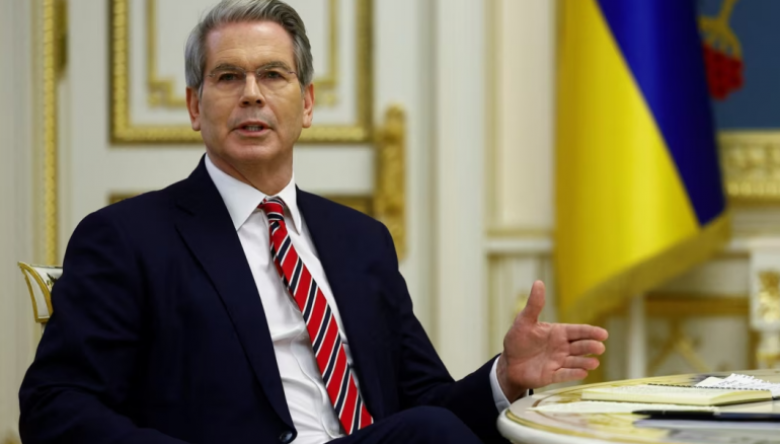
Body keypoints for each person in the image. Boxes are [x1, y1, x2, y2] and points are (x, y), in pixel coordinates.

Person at [18, 1, 608, 443]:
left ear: (306, 104)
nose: (252, 94)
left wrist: (506, 376)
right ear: (196, 106)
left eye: (273, 75)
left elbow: (425, 402)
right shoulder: (127, 237)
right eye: (228, 77)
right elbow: (56, 405)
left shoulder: (360, 241)